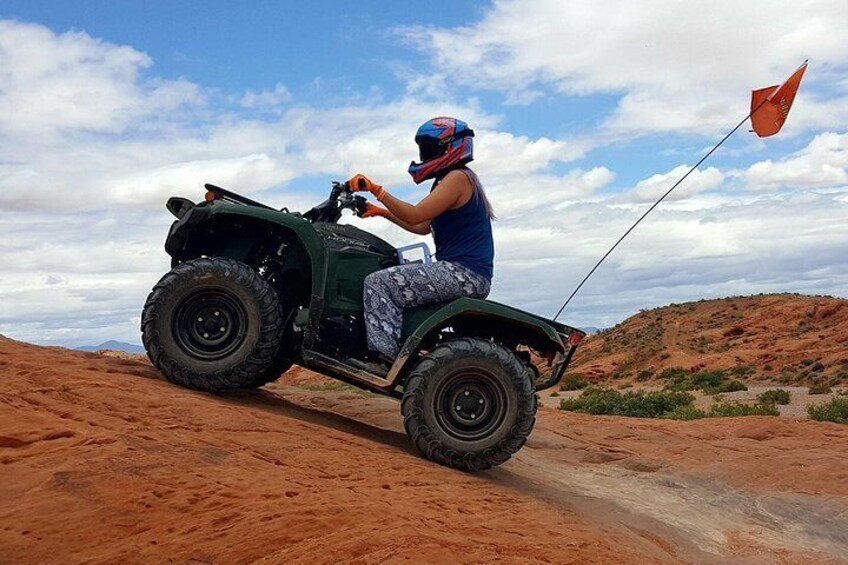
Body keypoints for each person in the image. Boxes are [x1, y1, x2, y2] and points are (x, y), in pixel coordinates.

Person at [347, 117, 495, 368]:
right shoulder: (450, 180)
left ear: (449, 147)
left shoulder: (458, 178)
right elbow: (422, 227)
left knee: (379, 282)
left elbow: (416, 214)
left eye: (429, 148)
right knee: (389, 275)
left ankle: (384, 360)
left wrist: (376, 190)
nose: (424, 155)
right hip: (465, 273)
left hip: (465, 274)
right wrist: (380, 212)